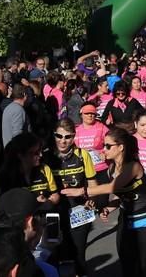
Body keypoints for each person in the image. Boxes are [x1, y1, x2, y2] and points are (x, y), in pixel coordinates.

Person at [62, 128, 146, 277]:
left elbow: (111, 187)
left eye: (108, 146)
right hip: (126, 220)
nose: (104, 149)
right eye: (104, 145)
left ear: (121, 147)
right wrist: (108, 207)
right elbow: (121, 196)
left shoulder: (133, 166)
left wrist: (82, 191)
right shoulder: (112, 169)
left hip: (145, 221)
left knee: (143, 268)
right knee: (126, 264)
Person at [45, 118, 97, 276]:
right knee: (53, 253)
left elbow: (93, 184)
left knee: (78, 253)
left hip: (78, 210)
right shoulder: (46, 156)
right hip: (53, 212)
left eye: (68, 137)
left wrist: (85, 193)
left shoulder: (83, 155)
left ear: (74, 136)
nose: (63, 141)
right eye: (59, 136)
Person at [0, 133, 60, 207]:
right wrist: (34, 203)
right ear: (21, 155)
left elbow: (55, 194)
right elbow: (6, 206)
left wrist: (50, 201)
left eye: (40, 150)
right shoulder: (6, 177)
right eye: (36, 153)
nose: (40, 155)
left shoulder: (44, 169)